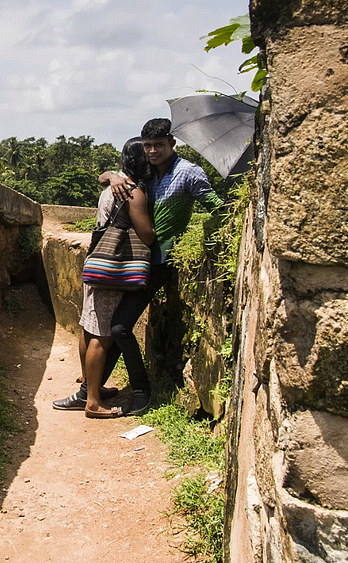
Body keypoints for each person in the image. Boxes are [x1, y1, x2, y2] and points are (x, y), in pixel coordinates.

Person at [55, 118, 225, 416]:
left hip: (160, 262)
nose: (153, 151)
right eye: (148, 146)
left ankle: (139, 390)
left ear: (172, 143)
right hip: (136, 262)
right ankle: (90, 392)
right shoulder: (148, 173)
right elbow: (111, 177)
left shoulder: (188, 172)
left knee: (117, 328)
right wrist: (112, 176)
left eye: (159, 145)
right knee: (112, 330)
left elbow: (216, 206)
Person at [54, 138, 157, 418]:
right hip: (114, 270)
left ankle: (90, 387)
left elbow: (104, 179)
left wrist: (110, 175)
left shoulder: (112, 186)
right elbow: (147, 236)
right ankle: (93, 402)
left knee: (89, 329)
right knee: (103, 336)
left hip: (96, 263)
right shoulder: (133, 193)